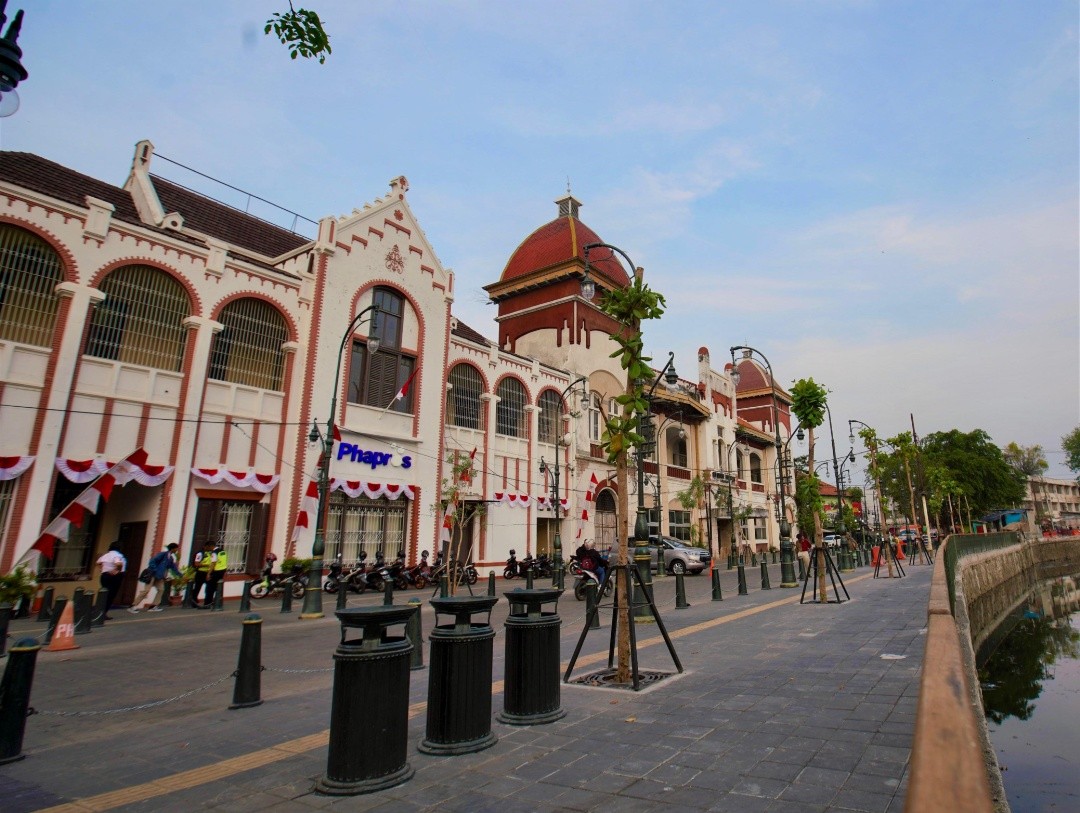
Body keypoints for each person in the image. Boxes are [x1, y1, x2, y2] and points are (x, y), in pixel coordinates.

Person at [129, 543, 182, 613]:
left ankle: (154, 606)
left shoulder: (170, 558)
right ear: (173, 549)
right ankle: (133, 606)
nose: (176, 550)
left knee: (161, 589)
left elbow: (173, 567)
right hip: (152, 575)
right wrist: (155, 570)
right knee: (146, 590)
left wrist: (180, 575)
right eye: (176, 548)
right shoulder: (163, 554)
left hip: (159, 576)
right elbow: (152, 561)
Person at [96, 542, 126, 620]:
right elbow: (119, 564)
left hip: (104, 576)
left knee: (104, 593)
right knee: (111, 595)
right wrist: (115, 571)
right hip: (114, 577)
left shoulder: (106, 555)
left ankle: (99, 612)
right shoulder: (117, 555)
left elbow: (98, 562)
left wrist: (102, 569)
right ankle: (103, 613)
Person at [189, 540, 215, 608]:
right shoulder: (200, 554)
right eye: (210, 547)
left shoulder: (211, 554)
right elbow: (196, 563)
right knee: (197, 587)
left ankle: (209, 601)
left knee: (210, 587)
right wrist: (206, 565)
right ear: (206, 546)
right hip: (201, 572)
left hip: (208, 573)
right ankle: (193, 601)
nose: (212, 548)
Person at [204, 541, 228, 608]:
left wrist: (208, 574)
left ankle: (207, 603)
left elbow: (213, 563)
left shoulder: (214, 553)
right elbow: (224, 561)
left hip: (216, 571)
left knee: (210, 588)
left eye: (208, 547)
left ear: (210, 546)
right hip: (222, 571)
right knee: (218, 588)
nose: (207, 549)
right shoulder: (222, 551)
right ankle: (218, 603)